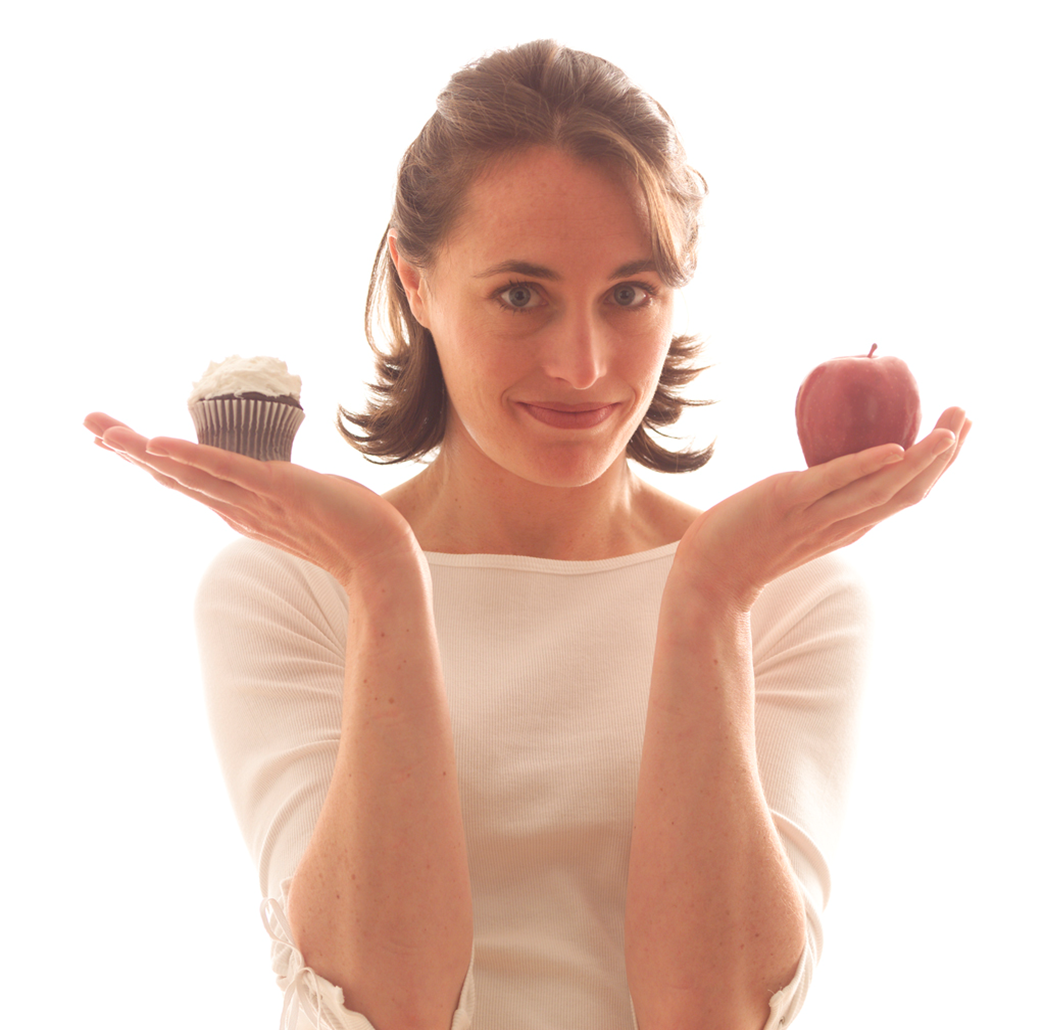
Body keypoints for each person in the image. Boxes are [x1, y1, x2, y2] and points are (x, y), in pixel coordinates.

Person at [84, 39, 970, 1030]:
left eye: (628, 294)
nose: (583, 365)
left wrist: (709, 597)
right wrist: (382, 577)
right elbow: (381, 1011)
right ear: (415, 282)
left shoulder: (787, 593)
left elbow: (714, 1014)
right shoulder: (289, 587)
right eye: (520, 294)